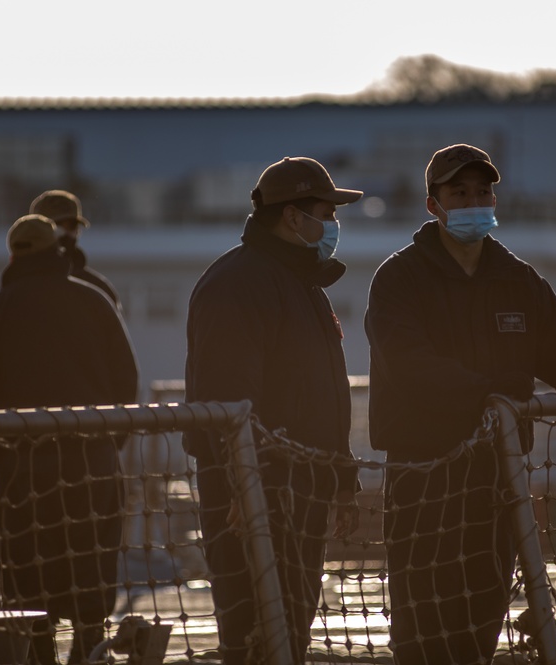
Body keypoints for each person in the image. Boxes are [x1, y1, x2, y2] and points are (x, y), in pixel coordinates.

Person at [364, 143, 556, 665]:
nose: (473, 201)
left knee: (482, 618)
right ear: (433, 205)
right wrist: (490, 392)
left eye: (482, 191)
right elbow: (409, 363)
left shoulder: (517, 279)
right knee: (423, 627)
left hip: (498, 478)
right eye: (458, 192)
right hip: (425, 479)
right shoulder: (400, 280)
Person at [184, 156, 362, 664]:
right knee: (251, 634)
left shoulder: (300, 283)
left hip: (300, 486)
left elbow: (323, 393)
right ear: (291, 216)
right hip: (254, 494)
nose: (333, 226)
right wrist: (244, 481)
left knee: (290, 632)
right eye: (327, 213)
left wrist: (342, 479)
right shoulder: (238, 283)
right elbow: (225, 398)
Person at [0, 214, 138, 665]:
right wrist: (107, 444)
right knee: (92, 557)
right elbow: (126, 381)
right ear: (55, 248)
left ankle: (38, 652)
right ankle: (88, 649)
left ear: (14, 254)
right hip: (92, 459)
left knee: (29, 564)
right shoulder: (94, 301)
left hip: (22, 468)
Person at [30, 189, 121, 308]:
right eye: (55, 227)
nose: (64, 234)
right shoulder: (18, 290)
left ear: (78, 231)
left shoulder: (98, 289)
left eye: (71, 226)